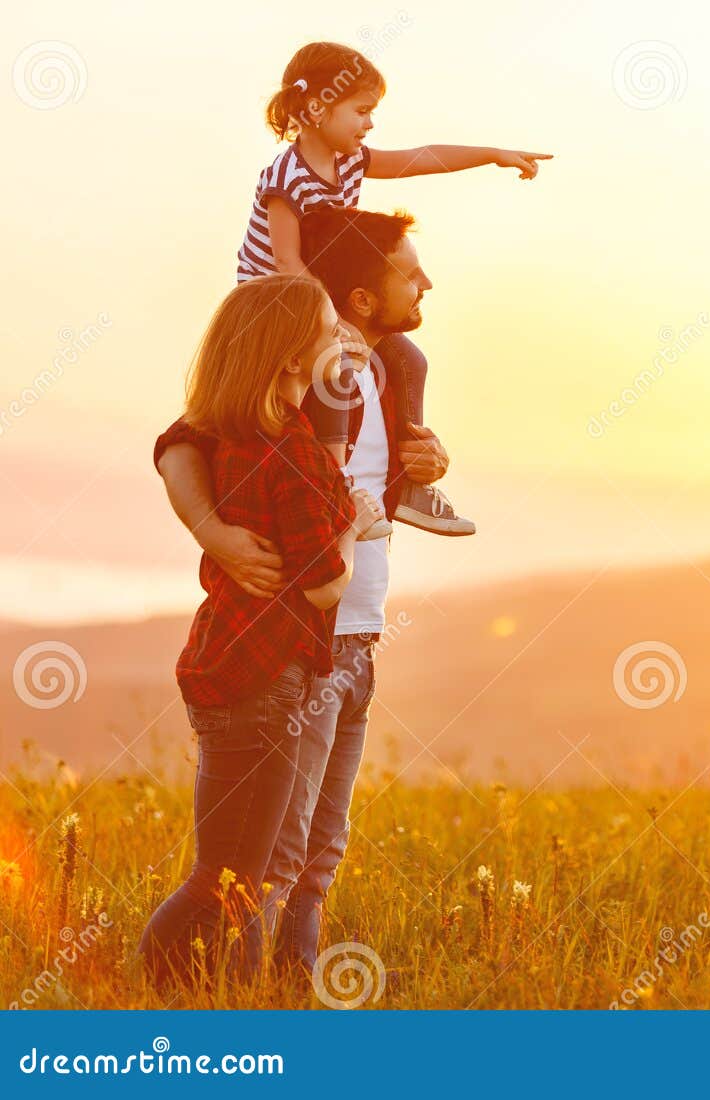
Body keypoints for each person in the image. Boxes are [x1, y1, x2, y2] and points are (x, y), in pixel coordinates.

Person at [156, 207, 450, 977]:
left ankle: (290, 995)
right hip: (295, 641)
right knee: (266, 861)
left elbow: (362, 502)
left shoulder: (392, 378)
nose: (425, 283)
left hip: (355, 637)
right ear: (356, 298)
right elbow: (185, 441)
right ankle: (232, 995)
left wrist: (425, 469)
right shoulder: (291, 396)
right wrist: (212, 531)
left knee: (320, 851)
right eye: (407, 271)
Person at [138, 275, 385, 987]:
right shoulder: (293, 451)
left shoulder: (239, 437)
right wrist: (355, 526)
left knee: (228, 875)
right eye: (328, 328)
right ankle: (190, 993)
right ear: (286, 360)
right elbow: (324, 582)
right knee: (231, 881)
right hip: (269, 683)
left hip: (226, 664)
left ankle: (186, 992)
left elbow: (181, 441)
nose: (341, 340)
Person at [238, 39, 552, 537]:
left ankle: (406, 484)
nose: (369, 124)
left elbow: (420, 158)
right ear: (316, 108)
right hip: (278, 302)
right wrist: (331, 321)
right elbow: (285, 262)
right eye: (361, 111)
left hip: (323, 295)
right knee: (334, 369)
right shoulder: (286, 176)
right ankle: (332, 487)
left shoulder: (352, 161)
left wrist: (492, 154)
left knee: (407, 361)